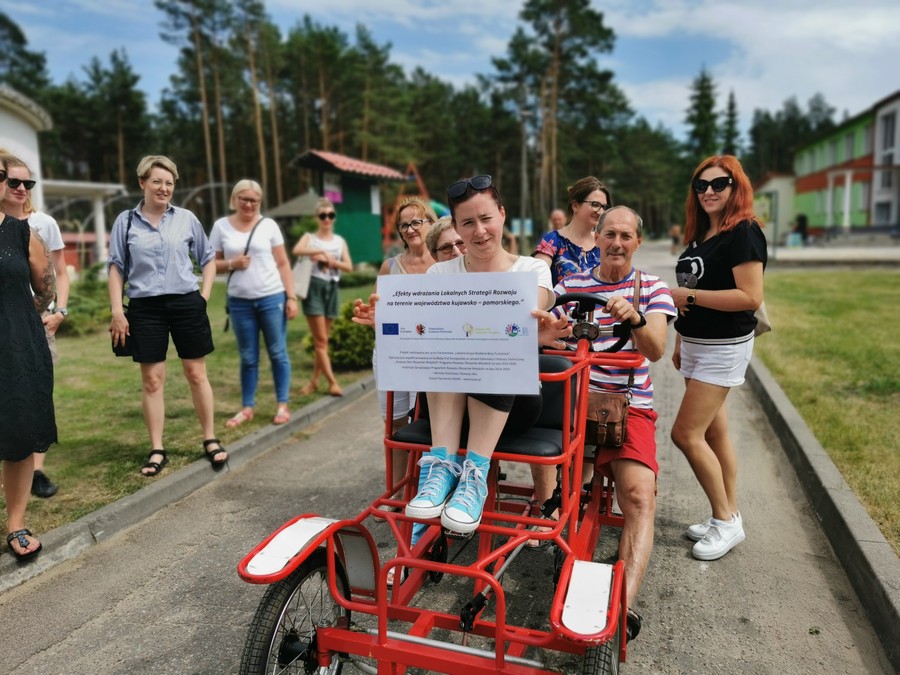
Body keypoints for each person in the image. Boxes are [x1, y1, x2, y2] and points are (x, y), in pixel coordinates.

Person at [548, 205, 675, 642]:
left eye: (626, 236)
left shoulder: (652, 288)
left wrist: (635, 317)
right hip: (573, 396)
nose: (617, 243)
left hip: (627, 402)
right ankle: (554, 525)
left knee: (638, 496)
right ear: (596, 238)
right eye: (610, 234)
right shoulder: (570, 284)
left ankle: (622, 607)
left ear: (638, 242)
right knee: (556, 480)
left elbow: (656, 349)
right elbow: (542, 326)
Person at [404, 175, 554, 534]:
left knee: (491, 345)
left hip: (513, 402)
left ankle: (474, 476)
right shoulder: (441, 271)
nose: (480, 230)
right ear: (456, 227)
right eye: (468, 223)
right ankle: (440, 468)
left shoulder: (533, 269)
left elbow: (526, 312)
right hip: (450, 408)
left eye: (486, 218)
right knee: (446, 344)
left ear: (502, 215)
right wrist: (392, 320)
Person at [670, 155, 767, 561]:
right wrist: (680, 338)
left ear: (735, 186)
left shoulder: (743, 231)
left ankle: (726, 522)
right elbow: (693, 296)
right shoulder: (703, 234)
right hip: (696, 346)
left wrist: (687, 297)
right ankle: (728, 514)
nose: (708, 191)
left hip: (723, 348)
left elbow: (750, 297)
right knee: (714, 433)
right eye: (701, 185)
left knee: (685, 434)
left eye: (718, 184)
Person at [108, 155, 227, 477]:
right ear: (142, 183)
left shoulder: (187, 218)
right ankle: (157, 448)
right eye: (157, 181)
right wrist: (118, 310)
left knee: (196, 373)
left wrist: (203, 296)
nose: (164, 188)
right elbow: (117, 266)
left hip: (186, 302)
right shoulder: (126, 221)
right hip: (145, 308)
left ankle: (210, 438)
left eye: (169, 183)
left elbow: (209, 258)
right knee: (152, 380)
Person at [0, 153, 69, 498]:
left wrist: (59, 311)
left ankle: (36, 473)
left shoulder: (36, 226)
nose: (22, 189)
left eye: (28, 183)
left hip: (26, 328)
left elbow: (54, 276)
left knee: (29, 410)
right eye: (14, 181)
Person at [210, 179, 298, 428]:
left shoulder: (268, 225)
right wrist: (231, 264)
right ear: (235, 199)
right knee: (248, 357)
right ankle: (247, 406)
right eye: (244, 199)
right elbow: (211, 265)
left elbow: (283, 263)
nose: (249, 204)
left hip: (272, 297)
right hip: (239, 303)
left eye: (254, 200)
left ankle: (282, 404)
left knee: (278, 352)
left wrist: (291, 297)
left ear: (260, 202)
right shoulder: (221, 227)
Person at [292, 198, 352, 398]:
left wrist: (331, 261)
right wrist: (319, 252)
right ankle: (332, 383)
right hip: (314, 288)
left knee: (323, 342)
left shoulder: (339, 241)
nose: (327, 219)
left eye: (330, 215)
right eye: (323, 215)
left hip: (332, 288)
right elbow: (297, 250)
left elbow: (348, 267)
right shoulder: (310, 238)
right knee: (320, 340)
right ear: (317, 218)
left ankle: (313, 382)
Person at [534, 176, 611, 286]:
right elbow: (536, 278)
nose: (600, 212)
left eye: (603, 207)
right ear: (575, 206)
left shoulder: (603, 242)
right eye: (595, 205)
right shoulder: (553, 240)